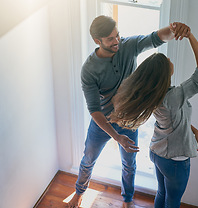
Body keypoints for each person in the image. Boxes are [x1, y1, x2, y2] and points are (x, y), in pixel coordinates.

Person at [66, 15, 191, 208]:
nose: (116, 41)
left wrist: (175, 29)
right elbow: (94, 110)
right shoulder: (89, 70)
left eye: (117, 35)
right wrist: (116, 137)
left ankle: (127, 199)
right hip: (102, 124)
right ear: (97, 41)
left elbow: (156, 37)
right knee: (88, 159)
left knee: (129, 164)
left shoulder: (128, 46)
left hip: (129, 122)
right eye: (110, 39)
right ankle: (79, 192)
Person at [110, 25, 198, 208]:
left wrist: (194, 131)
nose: (170, 59)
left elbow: (175, 120)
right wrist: (190, 36)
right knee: (172, 201)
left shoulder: (155, 95)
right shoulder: (174, 96)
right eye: (167, 60)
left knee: (162, 193)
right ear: (164, 73)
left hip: (158, 152)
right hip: (175, 160)